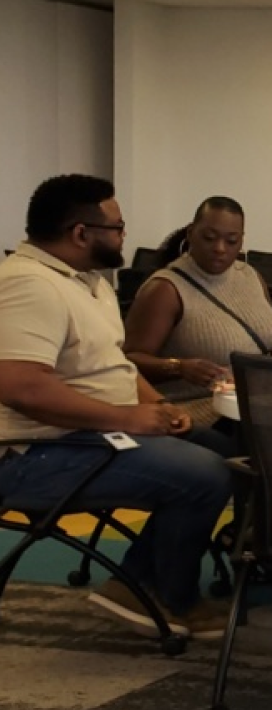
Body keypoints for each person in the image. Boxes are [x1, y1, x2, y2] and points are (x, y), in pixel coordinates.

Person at [0, 175, 233, 639]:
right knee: (206, 474)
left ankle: (136, 583)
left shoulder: (89, 281)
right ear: (81, 233)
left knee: (225, 450)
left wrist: (161, 407)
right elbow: (21, 387)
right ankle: (166, 595)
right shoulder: (29, 286)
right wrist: (128, 418)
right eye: (118, 227)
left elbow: (113, 368)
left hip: (90, 436)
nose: (126, 235)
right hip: (31, 455)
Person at [123, 196, 272, 430]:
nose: (220, 249)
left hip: (261, 399)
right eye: (209, 238)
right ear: (191, 233)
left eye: (231, 240)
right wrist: (179, 367)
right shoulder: (165, 289)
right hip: (204, 409)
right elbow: (129, 359)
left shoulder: (249, 275)